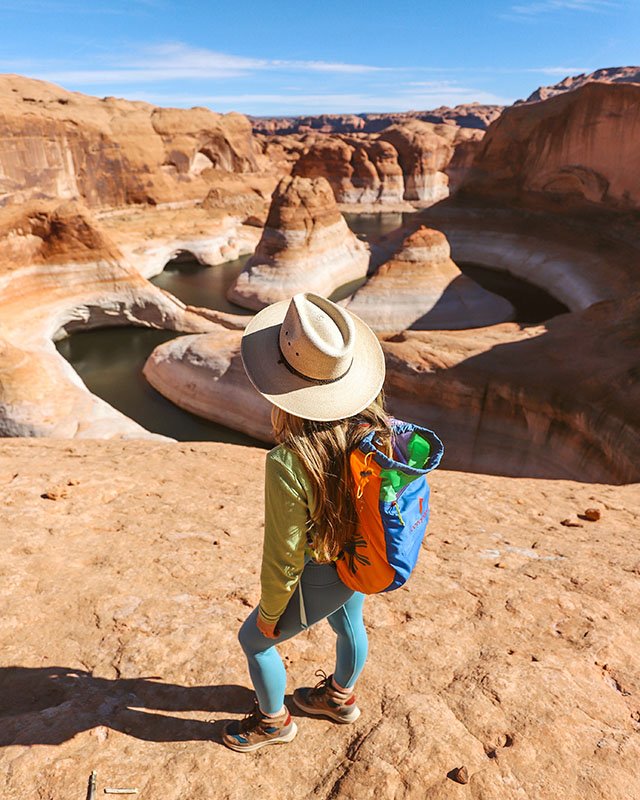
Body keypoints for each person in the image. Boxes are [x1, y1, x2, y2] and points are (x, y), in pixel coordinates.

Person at [222, 291, 392, 752]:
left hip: (320, 570)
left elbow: (283, 552)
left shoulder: (289, 461)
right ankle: (339, 699)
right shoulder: (372, 431)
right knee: (349, 622)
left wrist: (272, 613)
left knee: (254, 641)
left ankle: (273, 724)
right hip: (357, 561)